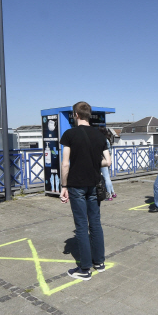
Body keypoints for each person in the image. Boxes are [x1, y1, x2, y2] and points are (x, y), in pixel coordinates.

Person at [59, 102, 112, 281]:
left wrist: (63, 186)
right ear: (89, 115)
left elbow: (65, 163)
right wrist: (93, 162)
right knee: (95, 223)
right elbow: (108, 161)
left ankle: (85, 269)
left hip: (76, 185)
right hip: (94, 183)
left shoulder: (69, 135)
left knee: (81, 226)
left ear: (75, 115)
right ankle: (99, 262)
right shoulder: (99, 135)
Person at [98, 127, 116, 200]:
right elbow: (110, 151)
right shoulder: (107, 140)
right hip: (108, 160)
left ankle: (109, 196)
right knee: (107, 177)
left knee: (106, 178)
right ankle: (113, 193)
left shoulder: (100, 140)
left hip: (102, 160)